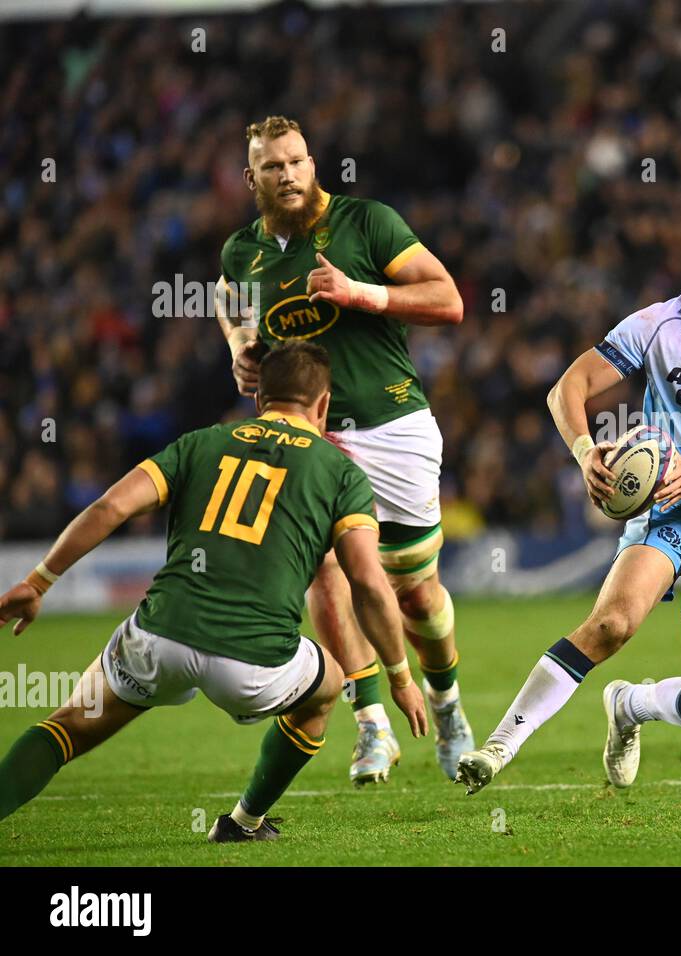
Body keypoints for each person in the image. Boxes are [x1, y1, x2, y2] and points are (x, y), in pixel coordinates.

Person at [0, 343, 427, 840]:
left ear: (259, 397)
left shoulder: (198, 443)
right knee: (327, 683)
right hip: (254, 665)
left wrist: (38, 582)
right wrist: (399, 677)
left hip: (160, 638)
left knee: (67, 726)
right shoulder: (341, 473)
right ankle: (244, 822)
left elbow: (108, 509)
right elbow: (369, 584)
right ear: (324, 404)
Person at [454, 215, 681, 793]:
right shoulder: (657, 324)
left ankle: (630, 705)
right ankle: (499, 746)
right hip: (665, 512)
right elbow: (565, 388)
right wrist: (584, 450)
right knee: (613, 622)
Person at [215, 116, 469, 785]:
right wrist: (241, 348)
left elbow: (449, 301)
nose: (289, 175)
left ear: (312, 162)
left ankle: (445, 703)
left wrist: (361, 293)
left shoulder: (366, 222)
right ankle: (372, 723)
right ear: (253, 179)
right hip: (312, 434)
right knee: (325, 567)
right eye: (273, 167)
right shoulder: (242, 252)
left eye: (297, 161)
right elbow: (229, 298)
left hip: (394, 424)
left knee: (415, 593)